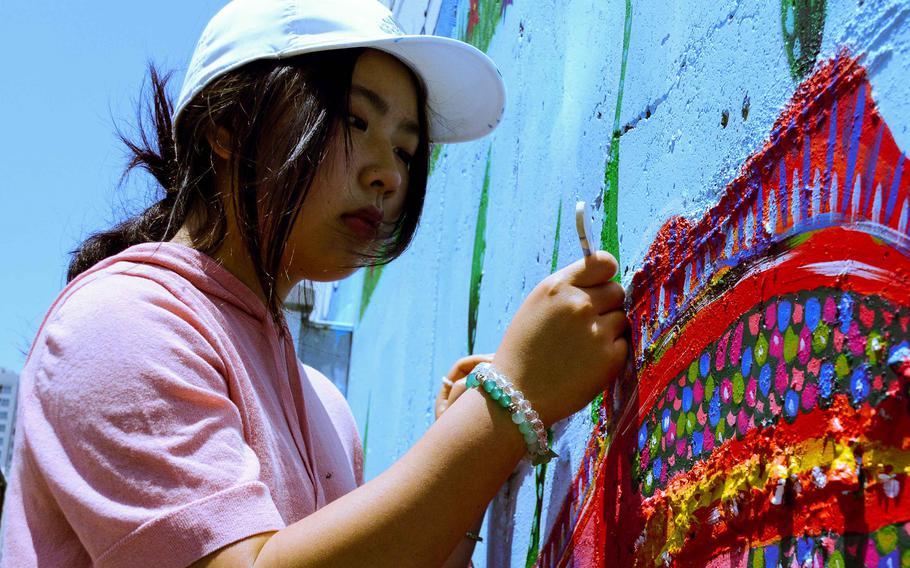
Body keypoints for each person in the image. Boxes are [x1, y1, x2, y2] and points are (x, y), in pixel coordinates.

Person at [0, 0, 628, 566]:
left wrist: (469, 448)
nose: (388, 174)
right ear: (226, 124)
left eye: (407, 151)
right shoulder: (119, 324)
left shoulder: (327, 406)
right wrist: (505, 404)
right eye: (356, 122)